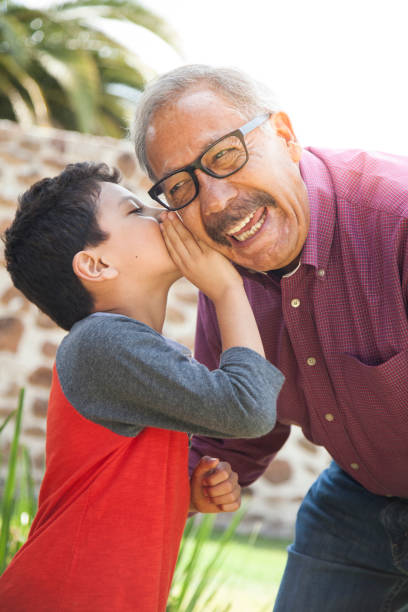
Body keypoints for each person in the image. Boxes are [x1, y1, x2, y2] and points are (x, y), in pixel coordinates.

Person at [133, 64, 408, 612]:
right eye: (183, 187)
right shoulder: (226, 281)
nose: (214, 202)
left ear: (284, 136)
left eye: (225, 155)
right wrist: (203, 476)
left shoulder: (396, 217)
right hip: (361, 494)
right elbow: (236, 429)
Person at [0, 162, 284, 612]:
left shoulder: (125, 349)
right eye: (135, 211)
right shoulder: (101, 341)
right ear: (95, 264)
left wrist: (181, 497)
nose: (161, 214)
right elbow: (248, 409)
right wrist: (227, 290)